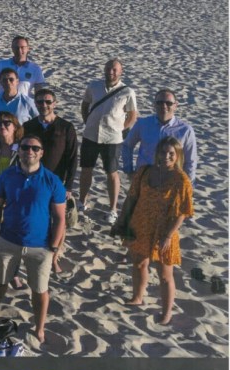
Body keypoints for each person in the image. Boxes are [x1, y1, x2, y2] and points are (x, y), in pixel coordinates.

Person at [0, 133, 66, 342]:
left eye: (35, 148)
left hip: (40, 246)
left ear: (42, 153)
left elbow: (60, 218)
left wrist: (54, 247)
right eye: (25, 147)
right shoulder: (7, 176)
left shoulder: (52, 180)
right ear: (19, 150)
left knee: (40, 289)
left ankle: (39, 328)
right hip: (8, 240)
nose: (29, 151)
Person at [112, 137, 193, 325]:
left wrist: (168, 236)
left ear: (177, 156)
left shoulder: (181, 179)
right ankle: (137, 297)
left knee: (164, 275)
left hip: (164, 231)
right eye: (163, 152)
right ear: (157, 153)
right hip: (140, 224)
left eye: (171, 153)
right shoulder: (144, 171)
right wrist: (122, 221)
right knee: (139, 263)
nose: (166, 156)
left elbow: (183, 212)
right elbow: (132, 197)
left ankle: (166, 313)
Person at [79, 58, 138, 224]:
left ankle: (113, 210)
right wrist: (87, 121)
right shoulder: (94, 86)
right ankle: (82, 201)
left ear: (121, 72)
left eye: (114, 70)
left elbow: (132, 115)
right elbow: (85, 105)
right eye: (108, 69)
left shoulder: (127, 92)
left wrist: (120, 129)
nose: (111, 72)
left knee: (111, 172)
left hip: (112, 138)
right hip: (90, 135)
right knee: (86, 169)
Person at [23, 88, 78, 232]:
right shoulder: (28, 126)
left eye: (48, 102)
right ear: (35, 103)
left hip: (56, 180)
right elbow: (21, 154)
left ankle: (57, 245)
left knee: (59, 220)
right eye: (40, 102)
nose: (44, 105)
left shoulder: (66, 127)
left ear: (55, 104)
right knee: (36, 216)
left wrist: (69, 186)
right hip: (32, 179)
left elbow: (72, 158)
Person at [123, 89, 197, 182]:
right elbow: (127, 145)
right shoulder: (143, 124)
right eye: (160, 102)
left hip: (172, 180)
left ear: (175, 105)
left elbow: (190, 160)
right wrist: (129, 170)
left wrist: (188, 183)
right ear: (154, 104)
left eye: (168, 103)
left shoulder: (185, 130)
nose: (164, 106)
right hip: (144, 178)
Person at [0, 67, 36, 140]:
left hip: (19, 142)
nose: (8, 82)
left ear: (17, 81)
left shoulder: (28, 102)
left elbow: (37, 122)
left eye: (11, 79)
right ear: (0, 82)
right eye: (4, 80)